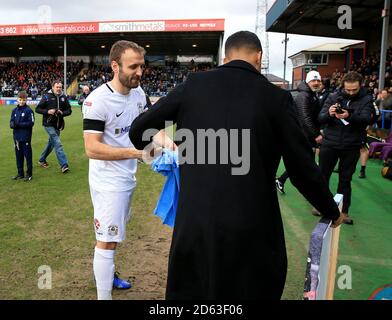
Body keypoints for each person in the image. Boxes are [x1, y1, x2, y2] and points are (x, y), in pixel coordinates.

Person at [129, 31, 343, 300]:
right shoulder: (274, 98)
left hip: (195, 224)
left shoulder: (193, 84)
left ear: (224, 58)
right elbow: (301, 168)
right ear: (259, 57)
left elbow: (139, 131)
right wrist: (330, 210)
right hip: (252, 227)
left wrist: (176, 146)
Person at [82, 40, 174, 300]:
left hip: (126, 178)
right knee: (107, 240)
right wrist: (138, 153)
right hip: (107, 182)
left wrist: (170, 146)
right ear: (115, 66)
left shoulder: (138, 93)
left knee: (114, 236)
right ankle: (103, 296)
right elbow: (92, 149)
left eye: (142, 66)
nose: (140, 72)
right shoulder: (97, 101)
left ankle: (108, 275)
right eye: (133, 67)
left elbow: (150, 128)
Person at [318, 71, 374, 225]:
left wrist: (348, 115)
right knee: (323, 176)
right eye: (347, 89)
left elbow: (364, 119)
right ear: (343, 85)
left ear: (360, 86)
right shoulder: (333, 96)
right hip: (330, 143)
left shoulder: (367, 99)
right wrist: (329, 114)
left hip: (351, 145)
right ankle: (322, 206)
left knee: (345, 180)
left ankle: (343, 211)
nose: (350, 92)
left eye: (354, 90)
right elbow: (320, 118)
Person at [275, 70, 323, 195]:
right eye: (313, 80)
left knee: (304, 163)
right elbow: (305, 118)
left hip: (305, 135)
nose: (316, 83)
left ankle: (281, 180)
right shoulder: (304, 96)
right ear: (308, 81)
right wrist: (316, 134)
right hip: (303, 136)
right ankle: (283, 180)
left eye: (318, 80)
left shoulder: (310, 94)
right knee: (304, 163)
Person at [35, 80, 72, 173]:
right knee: (57, 143)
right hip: (48, 124)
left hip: (58, 125)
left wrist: (62, 113)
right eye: (57, 87)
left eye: (60, 87)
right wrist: (48, 111)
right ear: (53, 87)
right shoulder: (46, 96)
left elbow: (69, 111)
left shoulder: (63, 97)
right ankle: (64, 165)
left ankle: (41, 160)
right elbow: (37, 109)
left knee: (51, 144)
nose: (59, 89)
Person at [10, 91, 34, 181]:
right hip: (16, 138)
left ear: (26, 100)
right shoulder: (14, 110)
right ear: (17, 99)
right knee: (18, 156)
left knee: (27, 156)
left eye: (23, 100)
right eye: (20, 99)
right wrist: (12, 124)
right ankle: (20, 173)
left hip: (25, 137)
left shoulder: (29, 110)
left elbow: (31, 123)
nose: (21, 101)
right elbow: (12, 121)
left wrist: (19, 124)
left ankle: (29, 174)